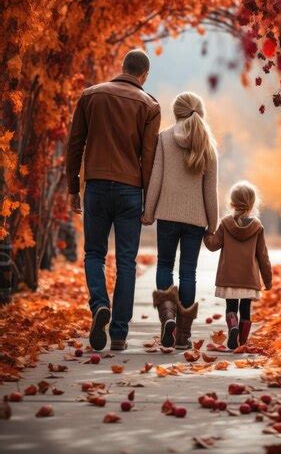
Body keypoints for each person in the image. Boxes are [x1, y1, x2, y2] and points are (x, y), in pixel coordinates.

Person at [66, 49, 160, 351]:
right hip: (130, 190)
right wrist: (149, 200)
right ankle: (119, 334)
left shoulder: (90, 96)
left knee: (94, 253)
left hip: (94, 186)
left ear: (122, 67)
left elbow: (75, 144)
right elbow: (149, 157)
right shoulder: (149, 105)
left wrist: (72, 187)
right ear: (143, 75)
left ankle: (99, 306)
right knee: (125, 262)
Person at [143, 92, 218, 350]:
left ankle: (168, 318)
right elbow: (211, 191)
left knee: (164, 265)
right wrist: (213, 225)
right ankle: (183, 336)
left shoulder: (163, 139)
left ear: (176, 112)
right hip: (195, 220)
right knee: (188, 272)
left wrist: (149, 211)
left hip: (167, 215)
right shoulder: (208, 144)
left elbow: (156, 179)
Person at [204, 181, 272, 350]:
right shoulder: (257, 227)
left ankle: (232, 327)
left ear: (232, 203)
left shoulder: (225, 224)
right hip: (248, 278)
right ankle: (242, 341)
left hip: (229, 277)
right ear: (252, 204)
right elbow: (263, 255)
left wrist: (206, 233)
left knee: (231, 307)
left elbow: (213, 245)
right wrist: (268, 280)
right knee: (246, 308)